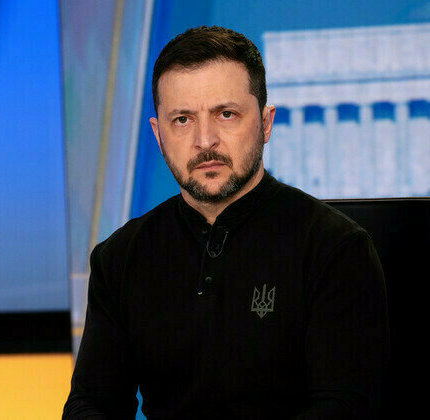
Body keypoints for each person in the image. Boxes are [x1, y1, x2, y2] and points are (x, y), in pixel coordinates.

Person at [63, 26, 389, 419]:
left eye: (226, 114)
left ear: (266, 123)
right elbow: (90, 403)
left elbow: (345, 406)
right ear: (158, 134)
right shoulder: (118, 257)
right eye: (182, 119)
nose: (205, 140)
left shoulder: (335, 248)